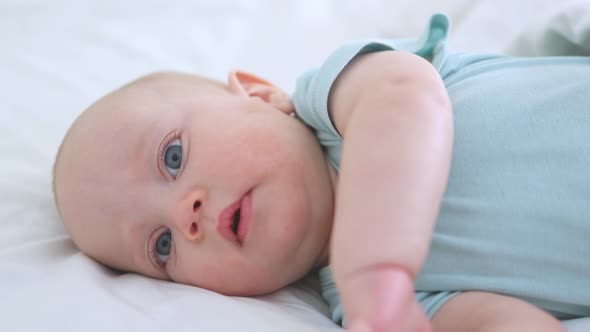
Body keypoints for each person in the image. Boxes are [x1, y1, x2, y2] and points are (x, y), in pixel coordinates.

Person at [52, 14, 590, 332]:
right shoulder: (365, 305)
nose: (183, 215)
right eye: (163, 247)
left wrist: (374, 262)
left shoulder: (338, 97)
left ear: (261, 95)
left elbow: (409, 101)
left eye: (172, 157)